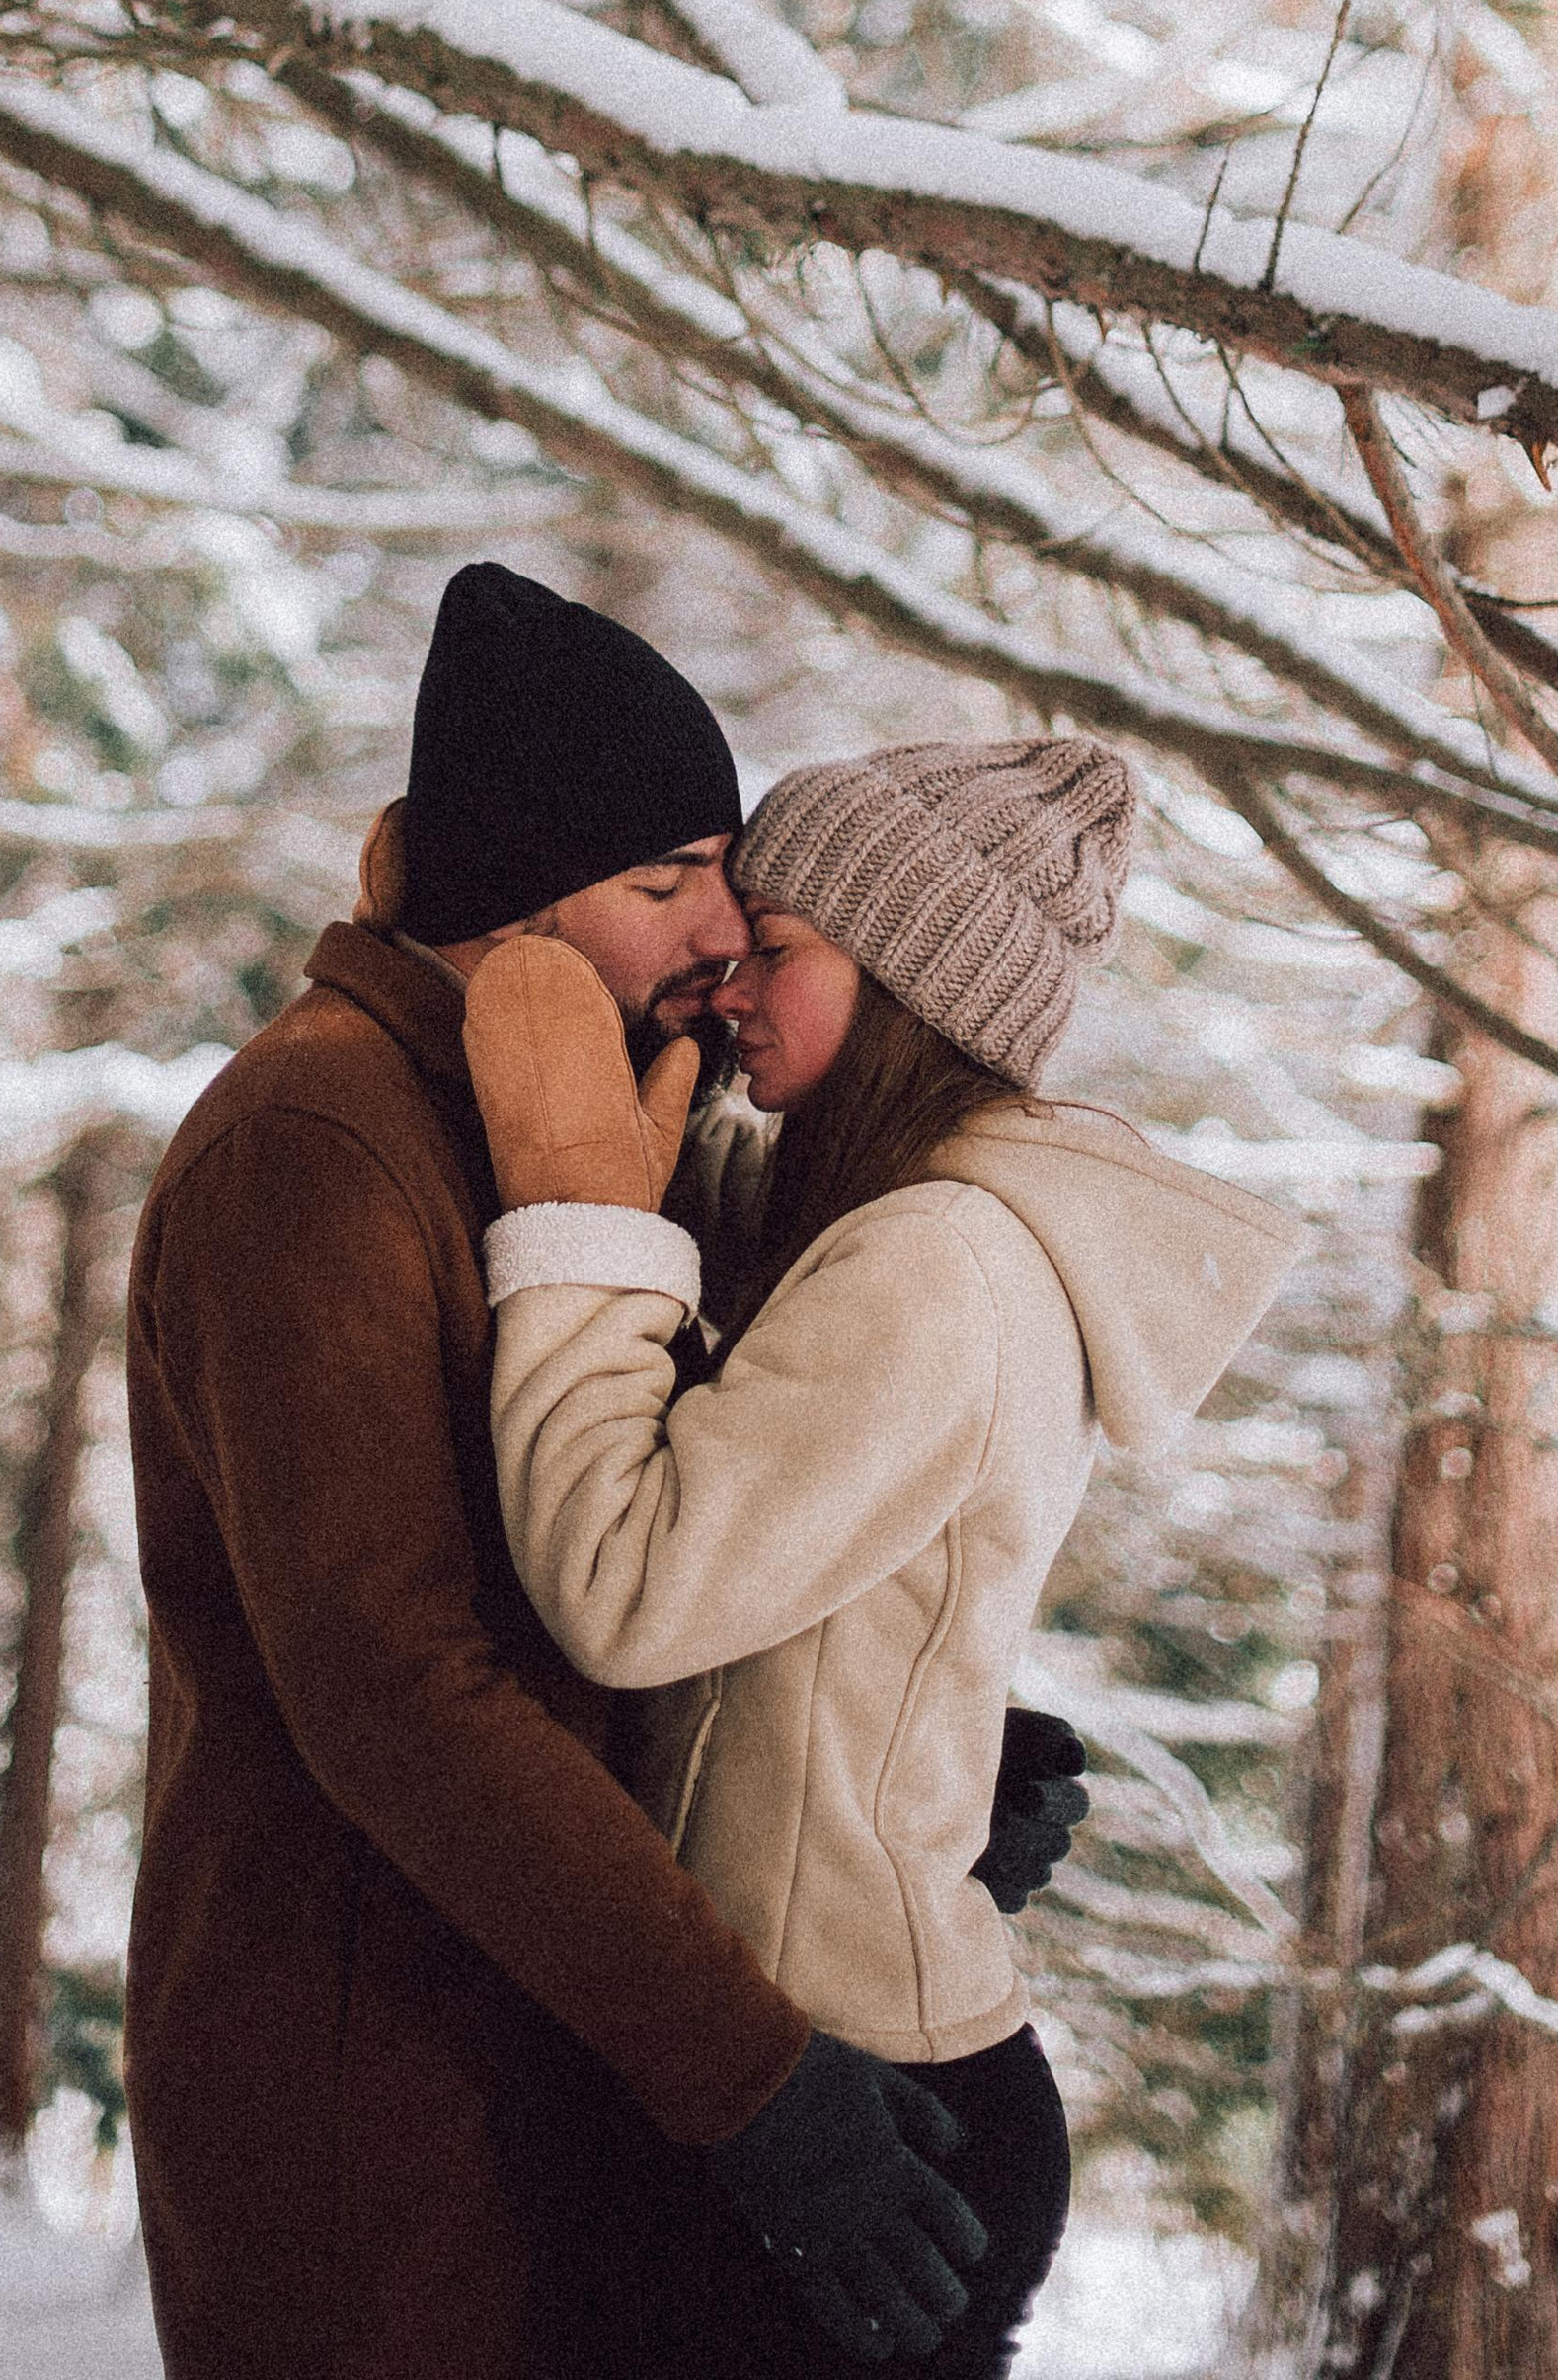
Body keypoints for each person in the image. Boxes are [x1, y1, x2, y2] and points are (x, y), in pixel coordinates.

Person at [124, 570, 1038, 2380]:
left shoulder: (554, 1126)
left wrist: (892, 1748)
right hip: (366, 2099)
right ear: (509, 897)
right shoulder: (315, 1144)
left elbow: (640, 1538)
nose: (727, 928)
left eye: (725, 872)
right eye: (664, 881)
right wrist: (752, 2075)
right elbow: (396, 1687)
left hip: (549, 2055)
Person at [463, 737, 1306, 2377]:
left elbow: (628, 1588)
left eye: (777, 948)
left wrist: (577, 1224)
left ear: (909, 983)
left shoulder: (933, 1265)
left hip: (854, 2121)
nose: (730, 983)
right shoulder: (893, 1224)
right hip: (832, 2067)